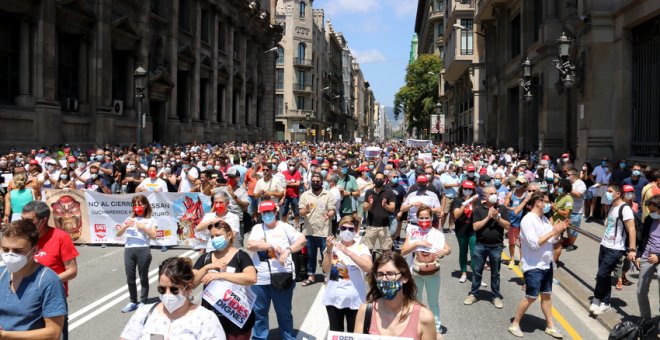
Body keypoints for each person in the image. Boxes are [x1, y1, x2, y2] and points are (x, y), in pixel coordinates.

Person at [508, 192, 568, 338]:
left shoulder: (545, 220)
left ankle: (550, 326)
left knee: (546, 296)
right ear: (538, 203)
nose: (549, 205)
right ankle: (515, 324)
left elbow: (551, 240)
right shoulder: (527, 220)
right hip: (533, 265)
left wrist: (558, 232)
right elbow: (534, 243)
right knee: (531, 296)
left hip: (546, 264)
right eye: (546, 202)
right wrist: (553, 231)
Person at [120, 257, 225, 340]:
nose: (167, 294)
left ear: (188, 288)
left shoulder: (206, 319)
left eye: (174, 289)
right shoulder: (144, 313)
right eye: (162, 289)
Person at [246, 200, 306, 340]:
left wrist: (288, 250)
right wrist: (269, 244)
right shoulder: (257, 228)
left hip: (282, 276)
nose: (267, 215)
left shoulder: (285, 227)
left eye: (269, 212)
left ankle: (288, 337)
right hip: (261, 278)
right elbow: (250, 244)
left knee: (284, 313)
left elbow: (302, 240)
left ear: (275, 212)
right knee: (259, 313)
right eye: (264, 212)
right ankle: (259, 337)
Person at [0, 219, 67, 339]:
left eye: (18, 251)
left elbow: (54, 333)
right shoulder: (1, 274)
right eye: (5, 250)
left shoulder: (48, 281)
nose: (9, 255)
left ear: (35, 250)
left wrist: (5, 336)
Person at [22, 200, 79, 340]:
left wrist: (44, 284)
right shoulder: (23, 238)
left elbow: (72, 271)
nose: (24, 224)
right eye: (22, 220)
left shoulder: (60, 237)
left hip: (52, 299)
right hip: (26, 298)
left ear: (43, 220)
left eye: (29, 220)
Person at [193, 220, 257, 339]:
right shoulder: (205, 258)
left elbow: (252, 278)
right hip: (212, 318)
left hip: (236, 316)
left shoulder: (241, 256)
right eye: (212, 236)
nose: (214, 239)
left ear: (229, 235)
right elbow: (191, 284)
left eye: (218, 235)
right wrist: (207, 267)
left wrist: (220, 275)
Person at [353, 251, 436, 339]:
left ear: (405, 278)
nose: (384, 279)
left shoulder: (424, 317)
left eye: (390, 274)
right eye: (380, 274)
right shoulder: (365, 311)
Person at [400, 205, 451, 333]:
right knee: (416, 300)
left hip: (432, 273)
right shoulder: (412, 232)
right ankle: (416, 325)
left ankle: (436, 327)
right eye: (421, 218)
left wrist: (445, 251)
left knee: (433, 301)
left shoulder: (436, 233)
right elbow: (403, 251)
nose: (424, 220)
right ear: (417, 219)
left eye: (426, 218)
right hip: (415, 272)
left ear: (431, 218)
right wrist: (417, 243)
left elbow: (448, 249)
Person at [590, 184, 637, 315]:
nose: (607, 193)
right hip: (604, 245)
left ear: (618, 194)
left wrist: (632, 249)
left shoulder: (625, 208)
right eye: (607, 191)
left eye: (610, 191)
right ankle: (606, 302)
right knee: (604, 275)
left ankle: (597, 298)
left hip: (616, 248)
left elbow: (632, 229)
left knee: (601, 275)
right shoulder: (612, 206)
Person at [321, 216, 372, 332]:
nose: (347, 231)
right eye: (344, 228)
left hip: (355, 300)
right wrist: (329, 250)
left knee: (354, 333)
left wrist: (347, 252)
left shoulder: (361, 247)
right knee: (335, 332)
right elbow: (326, 269)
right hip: (333, 299)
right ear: (339, 229)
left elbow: (368, 267)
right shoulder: (332, 247)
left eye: (351, 229)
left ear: (356, 231)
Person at [464, 185, 511, 308]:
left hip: (496, 246)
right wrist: (488, 217)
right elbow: (475, 227)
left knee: (495, 273)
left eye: (495, 193)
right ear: (485, 196)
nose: (494, 195)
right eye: (491, 193)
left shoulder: (502, 209)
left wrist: (497, 217)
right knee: (477, 272)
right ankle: (473, 294)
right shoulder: (479, 210)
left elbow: (508, 226)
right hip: (480, 245)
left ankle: (495, 296)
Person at [116, 194, 159, 313]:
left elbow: (154, 236)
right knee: (130, 277)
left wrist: (144, 228)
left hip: (143, 249)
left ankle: (143, 301)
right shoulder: (129, 219)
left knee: (143, 276)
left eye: (139, 204)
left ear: (145, 205)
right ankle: (133, 301)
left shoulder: (150, 220)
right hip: (129, 249)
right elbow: (118, 234)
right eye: (135, 205)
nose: (137, 207)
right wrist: (125, 226)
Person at [299, 173, 336, 286]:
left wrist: (328, 215)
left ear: (322, 182)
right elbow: (300, 212)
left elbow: (332, 210)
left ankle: (326, 275)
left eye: (317, 181)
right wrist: (305, 210)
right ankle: (311, 276)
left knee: (326, 254)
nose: (315, 183)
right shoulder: (305, 195)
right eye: (313, 181)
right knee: (311, 255)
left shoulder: (328, 194)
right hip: (310, 231)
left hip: (325, 231)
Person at [636, 195, 660, 333]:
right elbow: (643, 237)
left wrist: (659, 257)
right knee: (641, 290)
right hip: (647, 256)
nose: (650, 213)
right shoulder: (650, 219)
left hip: (658, 257)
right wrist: (639, 255)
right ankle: (647, 320)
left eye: (653, 210)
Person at [362, 172, 396, 255]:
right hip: (371, 226)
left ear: (384, 180)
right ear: (374, 180)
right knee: (367, 251)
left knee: (386, 251)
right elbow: (364, 208)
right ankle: (369, 266)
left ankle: (384, 267)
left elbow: (392, 208)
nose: (378, 180)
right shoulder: (368, 192)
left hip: (384, 227)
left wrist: (385, 205)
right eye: (376, 179)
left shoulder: (389, 192)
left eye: (380, 179)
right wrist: (370, 204)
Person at [452, 181, 479, 283]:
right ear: (462, 189)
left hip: (473, 230)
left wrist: (474, 202)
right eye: (465, 189)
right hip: (461, 230)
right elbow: (456, 215)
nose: (467, 191)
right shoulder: (457, 200)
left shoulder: (476, 201)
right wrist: (465, 204)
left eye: (470, 189)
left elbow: (478, 212)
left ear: (473, 190)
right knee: (463, 252)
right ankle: (464, 273)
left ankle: (476, 275)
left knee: (474, 253)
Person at [504, 176, 529, 269]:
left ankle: (522, 261)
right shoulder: (511, 193)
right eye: (517, 182)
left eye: (521, 183)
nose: (518, 184)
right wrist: (515, 209)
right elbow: (505, 206)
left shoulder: (527, 194)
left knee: (522, 243)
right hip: (513, 222)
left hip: (524, 222)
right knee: (512, 242)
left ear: (524, 184)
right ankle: (512, 259)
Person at [565, 168, 587, 251]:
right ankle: (569, 241)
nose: (567, 177)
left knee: (574, 229)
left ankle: (571, 244)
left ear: (573, 176)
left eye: (568, 175)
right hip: (567, 210)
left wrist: (568, 189)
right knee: (567, 227)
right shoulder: (569, 183)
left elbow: (578, 194)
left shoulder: (581, 184)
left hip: (576, 211)